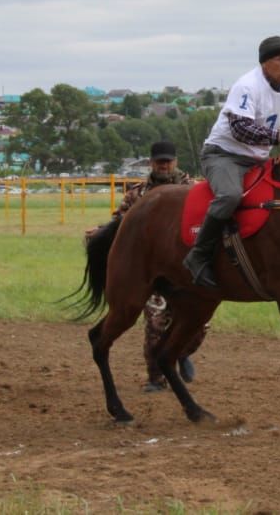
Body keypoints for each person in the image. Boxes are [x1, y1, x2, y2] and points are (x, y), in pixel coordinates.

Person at [182, 36, 280, 288]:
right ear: (265, 62)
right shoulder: (247, 86)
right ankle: (198, 255)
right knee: (229, 196)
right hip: (223, 154)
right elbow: (241, 129)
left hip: (257, 160)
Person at [85, 140, 199, 390]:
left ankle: (181, 352)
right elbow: (121, 224)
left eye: (168, 161)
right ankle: (156, 378)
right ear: (151, 163)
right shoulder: (137, 193)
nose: (164, 165)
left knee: (199, 322)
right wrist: (102, 231)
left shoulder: (193, 190)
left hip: (185, 269)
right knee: (155, 322)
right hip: (148, 270)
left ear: (176, 162)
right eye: (160, 162)